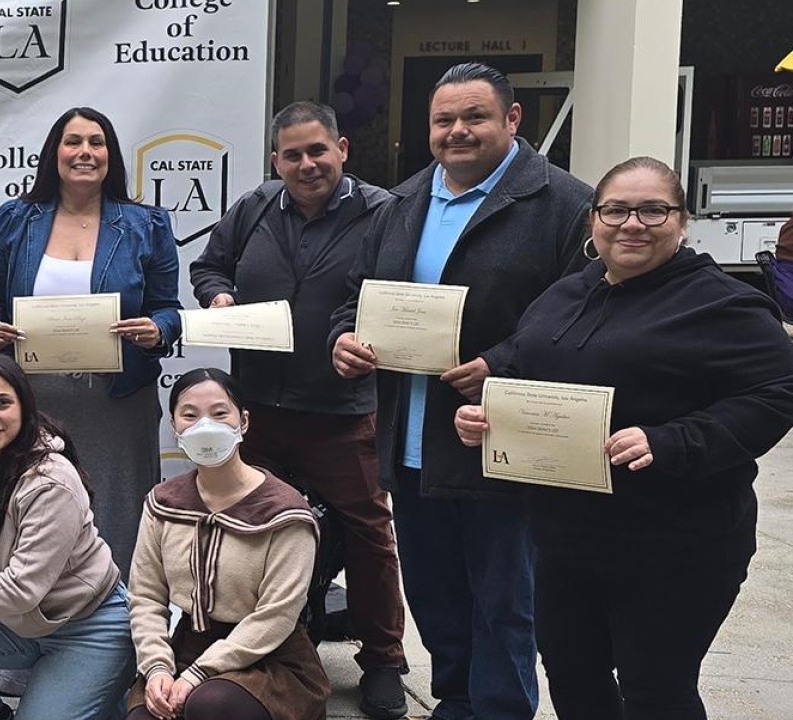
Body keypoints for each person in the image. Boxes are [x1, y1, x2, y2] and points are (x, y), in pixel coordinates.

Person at [451, 157, 793, 720]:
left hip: (677, 542)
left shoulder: (723, 304)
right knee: (571, 671)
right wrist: (489, 416)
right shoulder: (567, 293)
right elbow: (525, 359)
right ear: (594, 220)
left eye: (653, 210)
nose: (632, 223)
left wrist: (671, 440)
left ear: (682, 222)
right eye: (616, 209)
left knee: (654, 687)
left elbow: (775, 394)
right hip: (566, 538)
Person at [328, 62, 592, 720]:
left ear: (511, 119)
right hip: (414, 446)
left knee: (504, 605)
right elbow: (357, 296)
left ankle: (499, 711)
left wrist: (501, 361)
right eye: (443, 120)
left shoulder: (564, 204)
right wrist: (345, 338)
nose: (457, 131)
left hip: (503, 445)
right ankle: (456, 703)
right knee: (436, 594)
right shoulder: (406, 200)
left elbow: (586, 319)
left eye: (474, 117)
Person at [188, 101, 405, 717]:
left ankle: (384, 659)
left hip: (342, 409)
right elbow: (207, 266)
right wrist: (218, 293)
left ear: (342, 149)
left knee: (367, 532)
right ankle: (256, 637)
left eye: (318, 151)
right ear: (275, 159)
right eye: (293, 154)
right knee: (252, 526)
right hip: (256, 407)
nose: (307, 165)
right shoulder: (254, 207)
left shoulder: (383, 212)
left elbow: (397, 294)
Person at [0, 106, 182, 577]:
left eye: (96, 143)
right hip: (31, 401)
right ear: (54, 153)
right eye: (73, 142)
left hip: (117, 399)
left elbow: (169, 309)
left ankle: (120, 620)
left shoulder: (147, 223)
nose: (85, 152)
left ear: (111, 155)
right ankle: (30, 614)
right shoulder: (16, 219)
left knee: (117, 516)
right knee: (32, 512)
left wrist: (157, 331)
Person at [0, 354, 136, 720]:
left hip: (88, 624)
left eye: (3, 403)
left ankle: (106, 691)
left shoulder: (52, 480)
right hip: (14, 623)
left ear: (23, 407)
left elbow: (23, 586)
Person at [127, 368, 328, 720]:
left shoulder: (285, 510)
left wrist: (198, 674)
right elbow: (145, 596)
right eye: (189, 415)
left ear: (243, 422)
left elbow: (277, 614)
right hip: (188, 647)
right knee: (143, 715)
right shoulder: (163, 502)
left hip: (270, 658)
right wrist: (157, 668)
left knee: (210, 705)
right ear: (174, 427)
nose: (205, 425)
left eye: (220, 413)